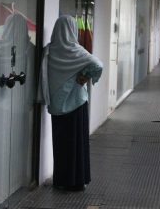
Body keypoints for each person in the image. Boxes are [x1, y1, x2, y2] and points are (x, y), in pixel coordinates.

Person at [39, 15, 103, 192]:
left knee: (61, 143)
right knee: (77, 143)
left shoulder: (49, 51)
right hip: (76, 103)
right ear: (72, 30)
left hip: (57, 106)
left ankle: (61, 179)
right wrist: (85, 76)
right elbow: (98, 65)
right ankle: (77, 181)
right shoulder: (77, 51)